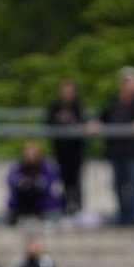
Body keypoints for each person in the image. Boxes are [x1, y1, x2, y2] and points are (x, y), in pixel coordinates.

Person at [93, 66, 134, 227]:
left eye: (130, 81)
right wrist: (96, 124)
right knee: (119, 184)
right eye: (125, 81)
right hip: (116, 149)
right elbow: (102, 116)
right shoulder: (113, 100)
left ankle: (133, 215)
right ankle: (122, 215)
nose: (127, 85)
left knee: (132, 183)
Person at [45, 78, 87, 215]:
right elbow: (48, 122)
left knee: (76, 180)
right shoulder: (54, 106)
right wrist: (61, 119)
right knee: (61, 180)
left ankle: (78, 209)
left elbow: (83, 122)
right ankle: (63, 209)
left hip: (75, 150)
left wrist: (71, 120)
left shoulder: (78, 106)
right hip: (60, 149)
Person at [5, 140, 63, 224]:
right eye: (27, 152)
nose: (30, 155)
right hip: (21, 201)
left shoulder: (46, 166)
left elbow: (49, 181)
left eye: (33, 152)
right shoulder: (18, 166)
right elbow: (11, 179)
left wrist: (35, 182)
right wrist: (22, 182)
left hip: (41, 201)